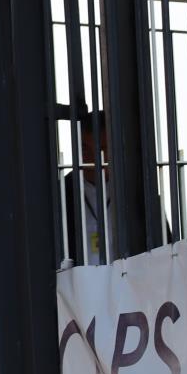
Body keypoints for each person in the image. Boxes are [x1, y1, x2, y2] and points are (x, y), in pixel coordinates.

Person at [60, 111, 113, 267]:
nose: (93, 158)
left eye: (101, 150)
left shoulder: (135, 191)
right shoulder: (61, 193)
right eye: (85, 151)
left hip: (125, 288)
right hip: (76, 289)